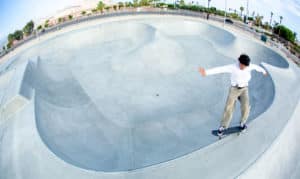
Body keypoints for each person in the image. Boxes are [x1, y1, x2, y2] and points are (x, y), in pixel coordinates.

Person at [199, 54, 267, 136]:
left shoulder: (249, 66)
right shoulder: (233, 67)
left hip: (244, 89)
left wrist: (264, 71)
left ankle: (242, 123)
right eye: (242, 66)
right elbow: (220, 69)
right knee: (229, 107)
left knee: (246, 106)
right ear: (239, 62)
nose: (244, 68)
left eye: (245, 66)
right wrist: (206, 72)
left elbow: (257, 67)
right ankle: (223, 127)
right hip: (234, 89)